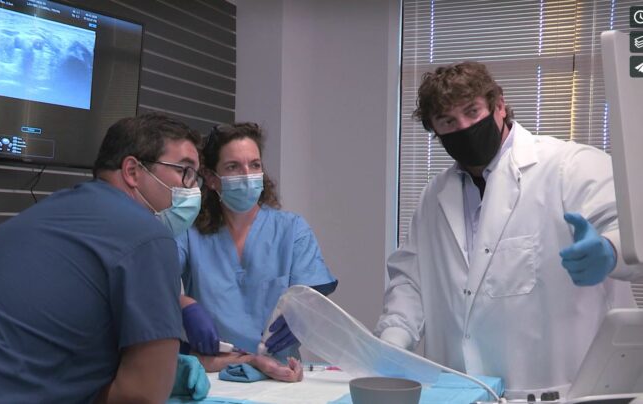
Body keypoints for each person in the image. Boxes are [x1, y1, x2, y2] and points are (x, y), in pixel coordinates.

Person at [0, 112, 210, 402]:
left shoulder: (59, 209)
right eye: (185, 171)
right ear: (132, 171)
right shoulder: (147, 235)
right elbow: (142, 396)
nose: (192, 189)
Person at [374, 61, 643, 399]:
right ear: (435, 130)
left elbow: (633, 230)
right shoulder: (435, 197)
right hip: (463, 390)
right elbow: (411, 280)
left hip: (562, 389)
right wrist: (394, 338)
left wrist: (611, 251)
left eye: (472, 111)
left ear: (498, 105)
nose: (465, 126)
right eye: (448, 121)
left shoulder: (569, 166)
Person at [177, 122, 338, 360]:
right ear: (211, 178)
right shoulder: (189, 232)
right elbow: (155, 281)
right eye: (233, 167)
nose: (247, 176)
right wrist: (184, 304)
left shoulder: (292, 230)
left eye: (254, 165)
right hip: (214, 368)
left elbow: (312, 295)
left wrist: (304, 317)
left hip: (278, 371)